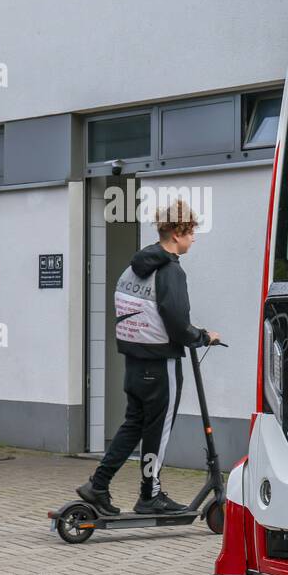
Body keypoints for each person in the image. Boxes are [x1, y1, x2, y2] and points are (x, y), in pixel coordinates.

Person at [77, 199, 220, 516]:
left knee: (133, 425)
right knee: (158, 430)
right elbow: (177, 322)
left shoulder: (134, 268)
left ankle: (97, 485)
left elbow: (148, 312)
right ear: (178, 231)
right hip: (160, 365)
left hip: (134, 362)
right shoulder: (170, 272)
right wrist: (201, 336)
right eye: (192, 231)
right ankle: (149, 495)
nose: (194, 238)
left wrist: (187, 330)